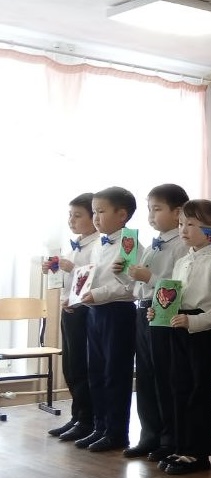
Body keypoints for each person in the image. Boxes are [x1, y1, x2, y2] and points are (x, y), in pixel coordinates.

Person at [151, 199, 211, 475]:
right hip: (177, 328)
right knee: (178, 387)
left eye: (191, 224)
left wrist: (193, 321)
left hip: (201, 331)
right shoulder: (182, 261)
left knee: (199, 391)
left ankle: (198, 452)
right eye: (182, 223)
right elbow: (173, 296)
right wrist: (158, 311)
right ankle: (180, 446)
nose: (184, 229)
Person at [122, 184, 189, 462]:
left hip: (164, 312)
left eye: (157, 209)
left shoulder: (183, 245)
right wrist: (126, 273)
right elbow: (137, 286)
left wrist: (148, 277)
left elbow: (179, 285)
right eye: (149, 209)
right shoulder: (152, 245)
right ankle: (148, 435)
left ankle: (169, 439)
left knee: (165, 377)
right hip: (143, 311)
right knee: (146, 377)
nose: (151, 215)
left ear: (178, 212)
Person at [75, 186, 138, 452]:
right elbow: (90, 276)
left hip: (117, 313)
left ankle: (116, 432)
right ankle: (99, 427)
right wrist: (78, 295)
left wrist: (97, 294)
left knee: (115, 374)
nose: (96, 218)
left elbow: (130, 286)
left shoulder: (129, 243)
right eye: (94, 212)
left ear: (121, 215)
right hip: (96, 312)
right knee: (96, 372)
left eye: (101, 211)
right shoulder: (101, 244)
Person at [44, 193, 98, 441]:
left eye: (78, 215)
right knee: (71, 366)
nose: (71, 220)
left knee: (84, 367)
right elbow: (69, 280)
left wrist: (72, 268)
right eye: (70, 215)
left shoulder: (98, 245)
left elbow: (95, 277)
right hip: (70, 309)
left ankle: (87, 420)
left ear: (93, 217)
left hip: (87, 309)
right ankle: (77, 416)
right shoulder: (76, 243)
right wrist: (54, 269)